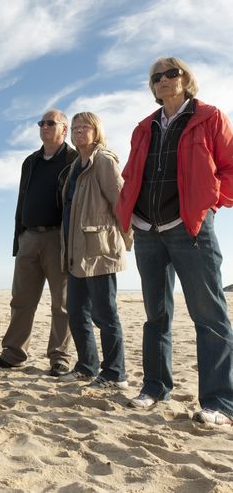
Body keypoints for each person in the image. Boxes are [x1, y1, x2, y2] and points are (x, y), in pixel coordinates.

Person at [116, 57, 233, 425]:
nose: (164, 80)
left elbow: (229, 167)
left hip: (191, 228)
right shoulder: (143, 127)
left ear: (185, 78)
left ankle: (220, 402)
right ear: (152, 87)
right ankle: (154, 388)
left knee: (209, 316)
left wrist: (208, 204)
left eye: (171, 73)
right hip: (148, 230)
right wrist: (127, 215)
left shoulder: (209, 117)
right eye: (156, 77)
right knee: (156, 315)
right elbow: (132, 172)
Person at [0, 109, 77, 376]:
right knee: (21, 300)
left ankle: (59, 357)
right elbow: (21, 201)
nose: (44, 127)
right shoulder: (30, 161)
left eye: (51, 123)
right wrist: (19, 237)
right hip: (28, 237)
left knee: (62, 302)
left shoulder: (73, 159)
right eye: (41, 123)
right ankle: (13, 354)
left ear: (64, 129)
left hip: (59, 237)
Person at [59, 112, 131, 390]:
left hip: (100, 250)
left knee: (105, 314)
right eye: (75, 128)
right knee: (77, 312)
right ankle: (87, 367)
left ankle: (115, 374)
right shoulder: (77, 164)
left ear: (96, 130)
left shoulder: (103, 160)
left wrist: (126, 241)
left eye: (84, 127)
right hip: (77, 252)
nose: (78, 131)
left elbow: (120, 202)